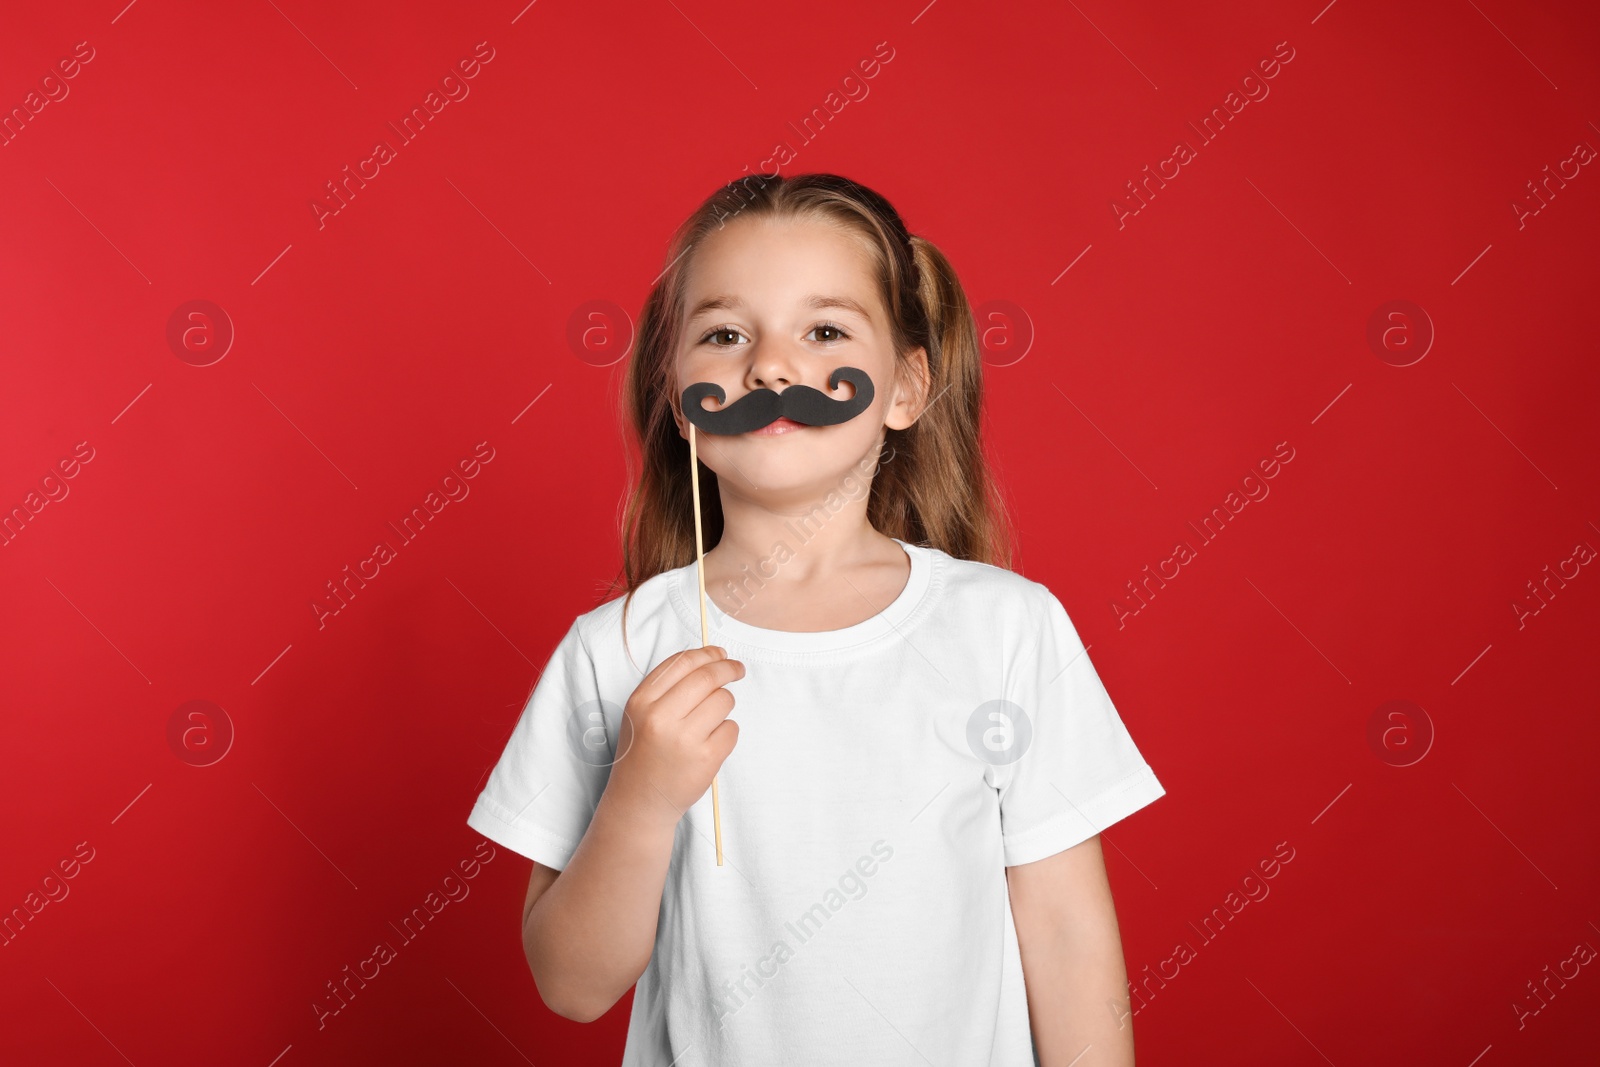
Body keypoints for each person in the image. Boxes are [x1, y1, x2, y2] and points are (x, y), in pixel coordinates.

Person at [466, 172, 1167, 1066]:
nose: (769, 366)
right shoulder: (618, 651)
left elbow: (1068, 936)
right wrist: (641, 796)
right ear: (678, 395)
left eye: (825, 330)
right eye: (724, 334)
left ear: (908, 389)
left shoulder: (1006, 631)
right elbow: (571, 984)